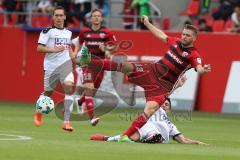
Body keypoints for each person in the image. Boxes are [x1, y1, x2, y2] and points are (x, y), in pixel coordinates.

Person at [80, 15, 211, 142]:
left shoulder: (193, 54)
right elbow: (161, 35)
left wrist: (202, 70)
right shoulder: (175, 42)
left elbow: (198, 67)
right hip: (151, 71)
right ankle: (90, 61)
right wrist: (147, 23)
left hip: (162, 86)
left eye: (187, 35)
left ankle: (125, 136)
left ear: (194, 38)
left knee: (149, 110)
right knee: (126, 66)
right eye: (183, 34)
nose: (183, 37)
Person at [90, 98, 208, 145]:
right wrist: (178, 85)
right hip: (147, 130)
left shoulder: (172, 126)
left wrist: (197, 142)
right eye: (163, 103)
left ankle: (107, 138)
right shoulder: (157, 110)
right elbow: (163, 95)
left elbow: (183, 140)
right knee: (145, 131)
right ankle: (151, 137)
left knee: (126, 138)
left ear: (170, 109)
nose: (165, 105)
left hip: (157, 137)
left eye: (167, 104)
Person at [34, 6, 75, 132]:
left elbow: (69, 49)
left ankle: (66, 122)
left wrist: (75, 59)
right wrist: (54, 49)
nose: (58, 18)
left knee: (69, 89)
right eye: (56, 15)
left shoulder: (68, 33)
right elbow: (39, 48)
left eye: (60, 15)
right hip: (51, 67)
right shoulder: (47, 31)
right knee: (48, 93)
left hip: (65, 65)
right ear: (53, 17)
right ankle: (38, 114)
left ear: (64, 17)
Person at [73, 9, 117, 126]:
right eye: (94, 16)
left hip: (100, 64)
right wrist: (74, 52)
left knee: (94, 90)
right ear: (91, 18)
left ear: (101, 18)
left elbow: (114, 47)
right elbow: (79, 42)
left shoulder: (107, 32)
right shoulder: (84, 31)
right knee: (90, 89)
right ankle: (92, 117)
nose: (96, 18)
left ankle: (81, 101)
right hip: (86, 62)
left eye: (98, 16)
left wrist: (107, 49)